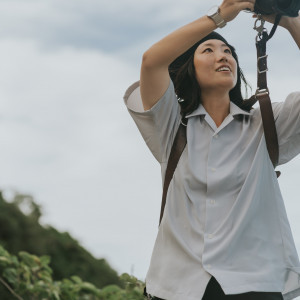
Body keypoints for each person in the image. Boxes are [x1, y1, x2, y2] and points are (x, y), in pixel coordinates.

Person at [123, 0, 300, 299]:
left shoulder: (268, 124)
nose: (223, 56)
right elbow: (151, 60)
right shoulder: (171, 127)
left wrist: (289, 21)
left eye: (228, 52)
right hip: (179, 287)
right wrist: (221, 16)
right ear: (188, 68)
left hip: (256, 284)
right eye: (209, 50)